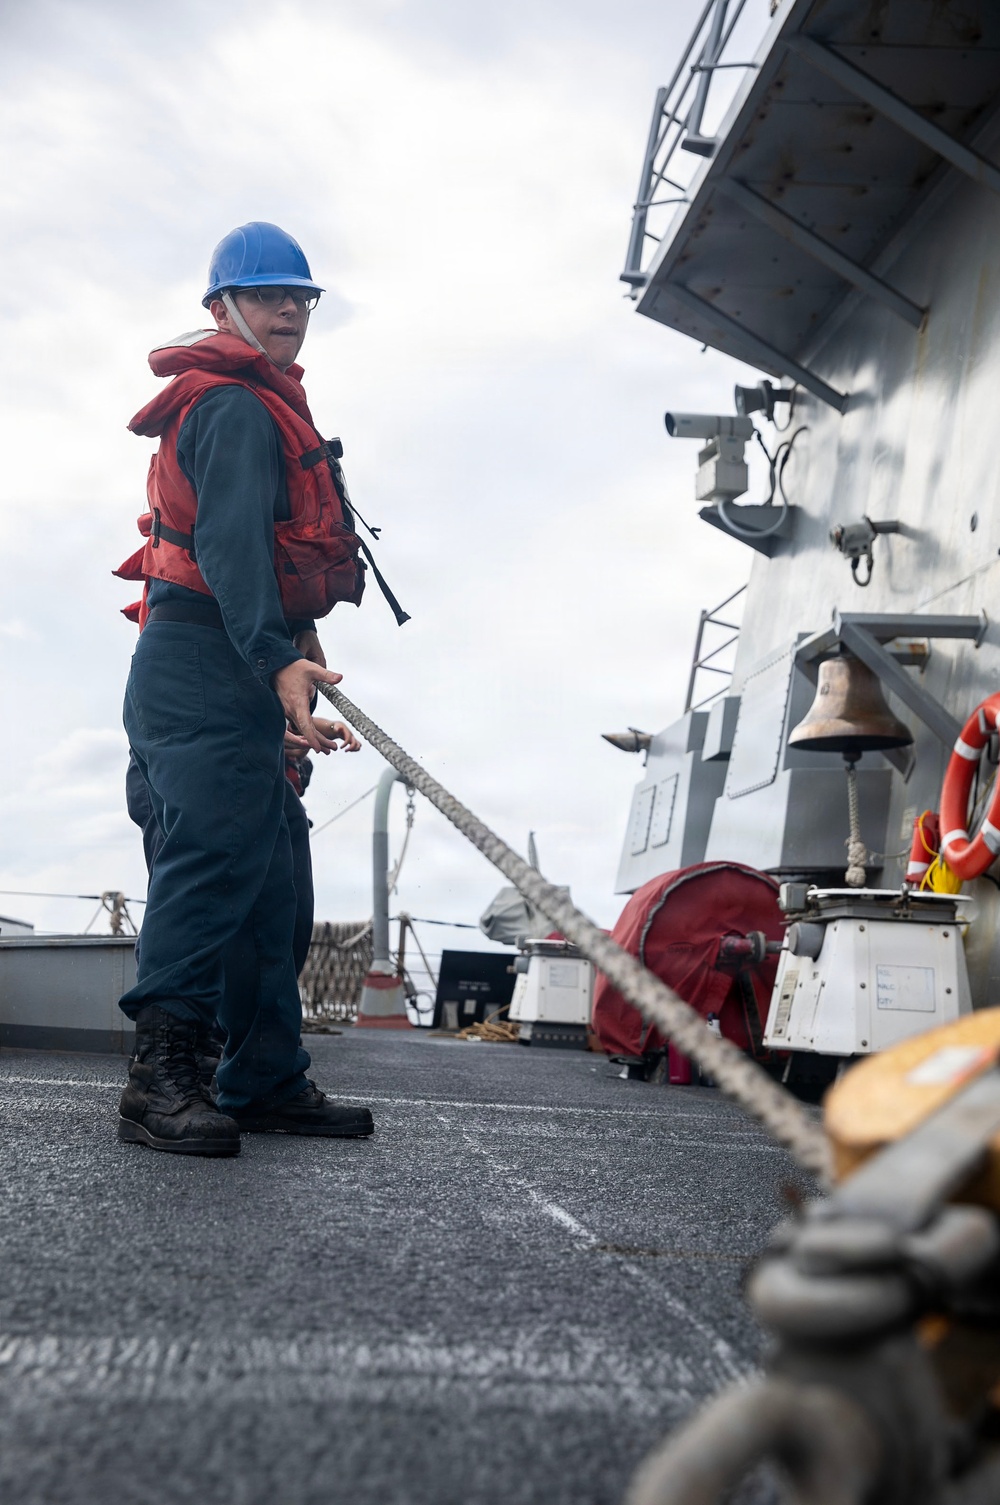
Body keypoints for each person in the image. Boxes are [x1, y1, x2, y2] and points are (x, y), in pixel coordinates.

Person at [114, 221, 377, 1157]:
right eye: (268, 295)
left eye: (300, 298)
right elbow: (227, 551)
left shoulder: (259, 407)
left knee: (275, 878)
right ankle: (159, 1082)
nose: (289, 311)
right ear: (220, 309)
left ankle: (263, 1076)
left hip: (239, 660)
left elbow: (263, 565)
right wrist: (274, 661)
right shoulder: (230, 408)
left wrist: (290, 671)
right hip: (197, 663)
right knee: (212, 863)